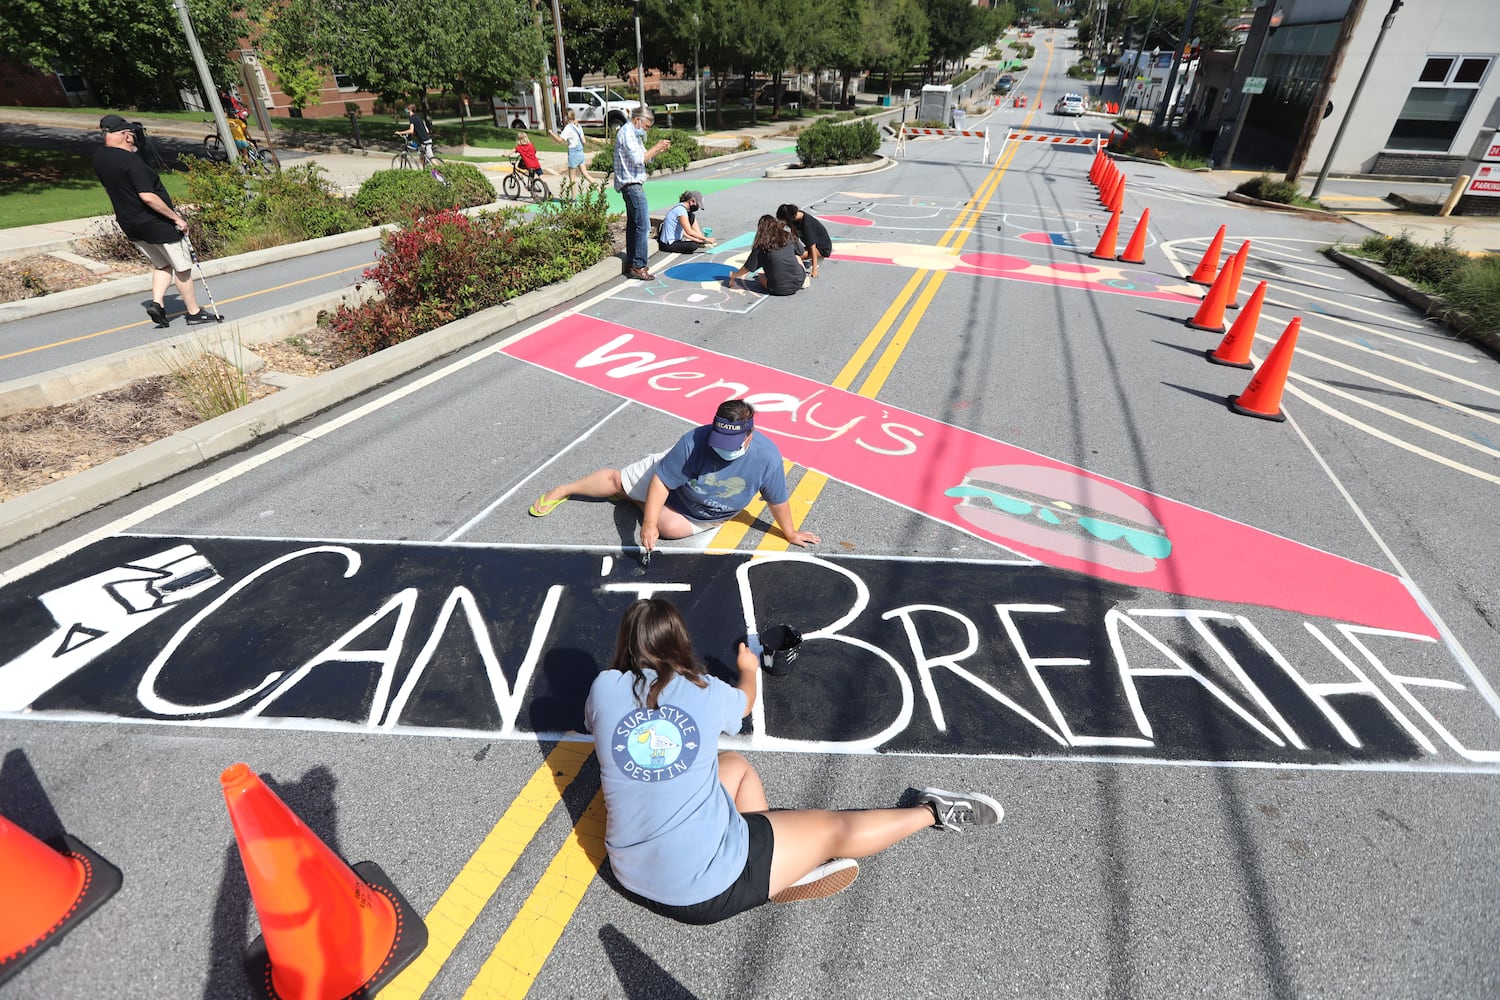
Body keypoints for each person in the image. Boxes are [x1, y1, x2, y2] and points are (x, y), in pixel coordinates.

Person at [584, 598, 1006, 925]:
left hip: (630, 872)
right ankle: (934, 811)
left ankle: (775, 865)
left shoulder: (604, 687)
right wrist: (747, 667)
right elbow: (745, 703)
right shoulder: (703, 690)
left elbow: (622, 729)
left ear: (627, 643)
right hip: (702, 893)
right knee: (833, 829)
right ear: (678, 642)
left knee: (733, 765)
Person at [527, 399, 819, 552]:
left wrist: (790, 532)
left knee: (670, 530)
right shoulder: (693, 442)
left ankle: (634, 500)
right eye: (719, 443)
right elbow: (662, 480)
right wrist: (648, 524)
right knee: (619, 481)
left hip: (705, 511)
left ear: (750, 435)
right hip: (672, 478)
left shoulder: (767, 457)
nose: (723, 451)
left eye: (732, 445)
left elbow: (777, 500)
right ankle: (566, 489)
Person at [93, 114, 214, 328]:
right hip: (156, 222)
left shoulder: (100, 158)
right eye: (130, 134)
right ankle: (194, 313)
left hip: (130, 223)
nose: (133, 139)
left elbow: (108, 188)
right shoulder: (132, 162)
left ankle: (157, 304)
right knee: (182, 267)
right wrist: (177, 218)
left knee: (162, 264)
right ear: (124, 135)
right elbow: (147, 196)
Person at [614, 106, 671, 280]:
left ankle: (632, 263)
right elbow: (638, 159)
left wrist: (658, 150)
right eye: (646, 126)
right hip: (631, 184)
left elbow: (644, 157)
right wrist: (657, 146)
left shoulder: (633, 135)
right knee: (643, 225)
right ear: (638, 119)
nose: (646, 129)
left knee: (634, 225)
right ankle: (639, 265)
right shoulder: (627, 133)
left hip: (632, 183)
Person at [727, 215, 805, 296]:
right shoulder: (788, 236)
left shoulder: (762, 245)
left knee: (761, 277)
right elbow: (801, 252)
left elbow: (748, 267)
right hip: (799, 281)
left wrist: (734, 275)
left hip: (778, 288)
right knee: (796, 254)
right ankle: (803, 277)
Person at [776, 203, 833, 279]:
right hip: (810, 246)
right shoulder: (794, 216)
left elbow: (813, 247)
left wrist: (814, 270)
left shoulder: (807, 225)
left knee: (793, 257)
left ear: (791, 218)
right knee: (787, 253)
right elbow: (793, 236)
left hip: (822, 248)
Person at [550, 109, 592, 190]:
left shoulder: (568, 127)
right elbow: (584, 141)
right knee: (585, 174)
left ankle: (573, 199)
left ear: (567, 117)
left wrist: (551, 133)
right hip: (580, 152)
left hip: (573, 153)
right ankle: (600, 189)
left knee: (572, 178)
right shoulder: (578, 126)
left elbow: (559, 140)